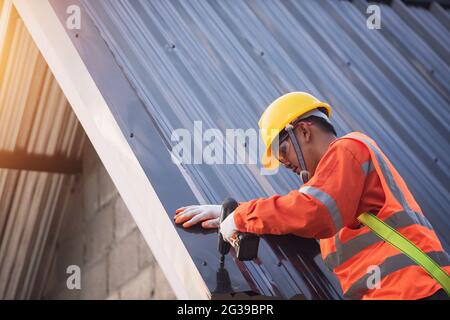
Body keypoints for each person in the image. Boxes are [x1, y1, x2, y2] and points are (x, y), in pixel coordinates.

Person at [174, 92, 449, 300]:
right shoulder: (338, 195)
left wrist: (244, 216)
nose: (287, 166)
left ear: (303, 131)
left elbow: (311, 211)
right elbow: (297, 215)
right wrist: (233, 213)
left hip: (417, 290)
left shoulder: (349, 149)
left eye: (283, 154)